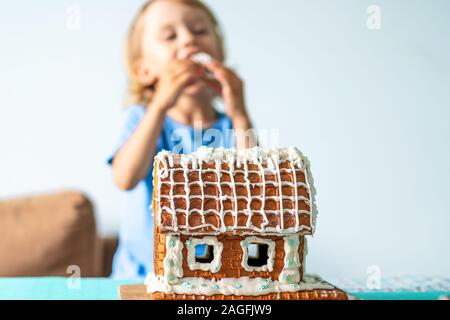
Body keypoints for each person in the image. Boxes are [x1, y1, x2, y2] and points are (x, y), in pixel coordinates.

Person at [107, 0, 256, 280]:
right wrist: (160, 104)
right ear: (145, 71)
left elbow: (256, 191)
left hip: (213, 280)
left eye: (199, 31)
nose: (189, 39)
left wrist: (240, 112)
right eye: (170, 36)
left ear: (218, 54)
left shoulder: (231, 126)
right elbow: (125, 178)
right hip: (141, 277)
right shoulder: (142, 118)